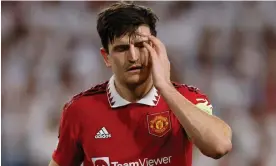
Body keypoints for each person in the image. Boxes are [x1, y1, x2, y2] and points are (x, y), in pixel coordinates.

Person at [49, 2, 232, 166]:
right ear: (106, 57)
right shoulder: (80, 110)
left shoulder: (185, 99)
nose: (133, 57)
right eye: (122, 48)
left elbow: (219, 146)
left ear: (155, 47)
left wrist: (166, 87)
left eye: (140, 45)